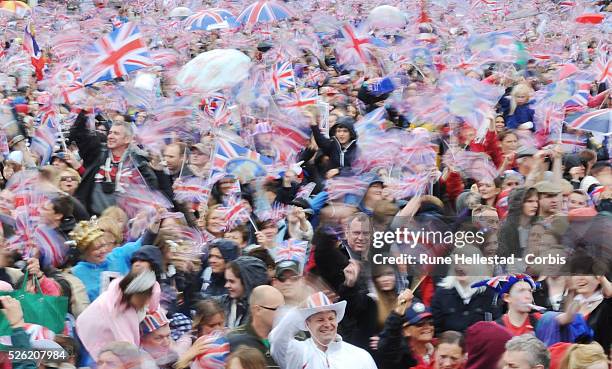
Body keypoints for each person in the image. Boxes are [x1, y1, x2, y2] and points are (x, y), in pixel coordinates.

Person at [68, 111, 158, 216]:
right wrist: (85, 112)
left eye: (116, 133)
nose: (110, 136)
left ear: (127, 139)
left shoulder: (138, 162)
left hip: (123, 224)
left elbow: (152, 190)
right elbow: (78, 133)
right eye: (110, 132)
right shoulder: (97, 154)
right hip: (93, 222)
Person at [269, 291, 377, 369]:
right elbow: (277, 339)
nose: (327, 324)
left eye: (331, 318)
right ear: (307, 324)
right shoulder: (298, 353)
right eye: (320, 320)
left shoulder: (360, 356)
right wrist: (299, 309)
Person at [76, 270, 161, 360]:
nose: (146, 302)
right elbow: (127, 345)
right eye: (143, 298)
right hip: (92, 335)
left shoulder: (132, 294)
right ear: (133, 293)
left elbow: (153, 304)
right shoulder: (116, 307)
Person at [226, 285, 285, 368]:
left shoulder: (291, 338)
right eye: (277, 309)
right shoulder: (234, 340)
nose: (283, 314)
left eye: (284, 309)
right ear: (257, 310)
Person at [219, 256, 269, 328]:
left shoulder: (263, 311)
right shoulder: (224, 302)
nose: (226, 285)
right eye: (226, 280)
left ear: (247, 282)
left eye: (232, 281)